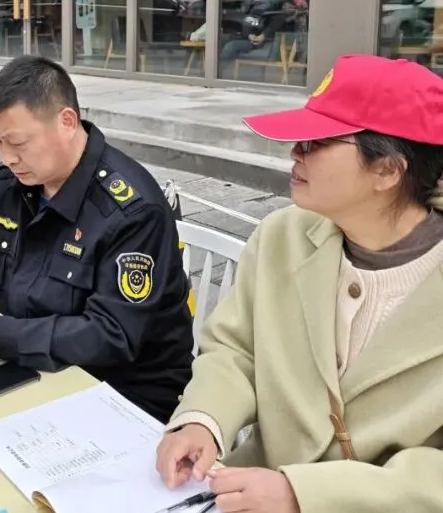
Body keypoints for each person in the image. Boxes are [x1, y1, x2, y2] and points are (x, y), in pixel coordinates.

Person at [156, 54, 443, 513]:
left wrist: (305, 494)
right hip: (243, 496)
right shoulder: (282, 236)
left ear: (389, 169)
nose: (295, 152)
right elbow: (236, 350)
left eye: (317, 141)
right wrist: (202, 421)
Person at [0, 55, 195, 421]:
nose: (8, 157)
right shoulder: (18, 181)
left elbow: (111, 335)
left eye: (18, 142)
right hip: (34, 368)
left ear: (66, 122)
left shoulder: (132, 213)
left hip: (119, 393)